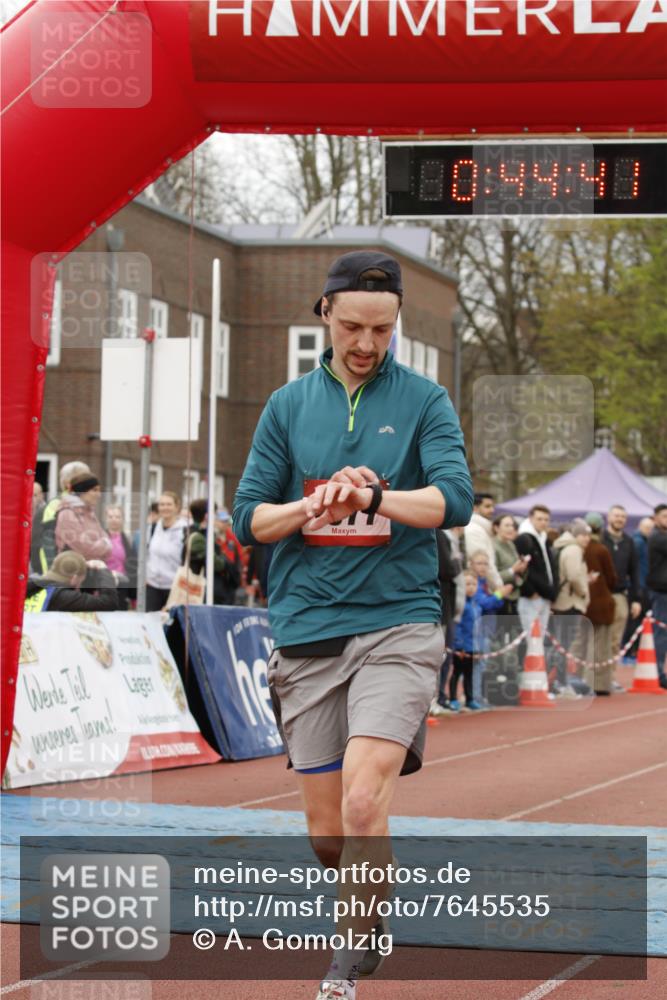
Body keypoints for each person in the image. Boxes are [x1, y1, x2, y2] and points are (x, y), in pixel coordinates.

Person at [233, 249, 473, 999]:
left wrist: (372, 499)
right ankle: (372, 906)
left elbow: (453, 503)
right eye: (352, 327)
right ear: (324, 317)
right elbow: (249, 519)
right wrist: (311, 506)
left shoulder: (425, 400)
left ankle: (343, 963)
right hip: (308, 628)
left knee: (366, 799)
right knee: (329, 833)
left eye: (382, 328)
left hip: (399, 623)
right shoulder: (285, 406)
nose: (366, 343)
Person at [551, 519, 593, 692]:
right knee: (564, 644)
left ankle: (557, 680)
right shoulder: (574, 549)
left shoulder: (563, 546)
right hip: (569, 602)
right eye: (583, 535)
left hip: (562, 601)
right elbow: (574, 575)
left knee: (561, 643)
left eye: (588, 535)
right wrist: (583, 591)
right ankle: (559, 681)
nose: (586, 539)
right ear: (576, 535)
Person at [602, 505, 641, 684]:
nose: (620, 519)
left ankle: (610, 677)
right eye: (616, 515)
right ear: (608, 517)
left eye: (623, 517)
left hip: (620, 595)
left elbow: (634, 572)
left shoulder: (629, 541)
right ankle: (594, 678)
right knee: (598, 638)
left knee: (616, 639)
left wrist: (636, 599)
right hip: (600, 596)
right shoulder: (600, 539)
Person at [467, 549, 512, 707]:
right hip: (476, 630)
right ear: (471, 564)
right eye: (479, 563)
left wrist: (497, 597)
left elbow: (496, 604)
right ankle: (474, 697)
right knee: (476, 665)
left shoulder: (485, 582)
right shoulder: (473, 582)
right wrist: (499, 594)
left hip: (487, 628)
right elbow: (484, 602)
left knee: (482, 665)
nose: (483, 567)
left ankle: (477, 696)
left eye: (486, 564)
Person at [32, 460, 90, 572]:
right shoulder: (55, 507)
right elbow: (44, 547)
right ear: (69, 483)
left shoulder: (81, 507)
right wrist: (53, 580)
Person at [582, 512, 618, 694]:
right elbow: (611, 578)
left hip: (582, 603)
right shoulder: (600, 549)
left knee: (582, 644)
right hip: (601, 603)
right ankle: (600, 684)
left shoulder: (578, 548)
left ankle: (581, 681)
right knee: (601, 645)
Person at [431, 524, 464, 715]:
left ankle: (439, 698)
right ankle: (434, 700)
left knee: (443, 656)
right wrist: (455, 563)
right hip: (439, 606)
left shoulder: (445, 536)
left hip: (445, 605)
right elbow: (448, 569)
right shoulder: (439, 534)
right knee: (438, 656)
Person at [24, 551, 119, 612]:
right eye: (81, 581)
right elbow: (108, 602)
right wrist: (103, 569)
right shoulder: (62, 597)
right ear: (74, 578)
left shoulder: (31, 586)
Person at [187, 499, 241, 605]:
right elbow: (216, 563)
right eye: (215, 514)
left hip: (209, 589)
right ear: (207, 516)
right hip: (203, 589)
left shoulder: (206, 534)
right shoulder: (198, 536)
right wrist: (225, 561)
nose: (216, 518)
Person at [515, 504, 557, 639]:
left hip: (545, 596)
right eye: (539, 519)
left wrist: (552, 592)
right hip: (531, 597)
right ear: (531, 519)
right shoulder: (524, 539)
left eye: (546, 519)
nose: (543, 522)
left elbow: (550, 567)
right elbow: (520, 569)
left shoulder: (544, 539)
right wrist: (530, 591)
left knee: (540, 637)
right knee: (530, 636)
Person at [55, 473, 112, 563]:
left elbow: (108, 550)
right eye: (94, 490)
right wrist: (105, 544)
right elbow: (85, 549)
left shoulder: (90, 513)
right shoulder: (67, 514)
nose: (99, 495)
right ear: (82, 491)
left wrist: (102, 544)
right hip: (72, 572)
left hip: (91, 571)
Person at [145, 491, 188, 612]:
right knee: (151, 626)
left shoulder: (185, 530)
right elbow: (146, 554)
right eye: (162, 504)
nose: (165, 508)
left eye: (169, 504)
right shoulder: (152, 528)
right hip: (152, 587)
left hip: (175, 588)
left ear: (177, 507)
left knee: (172, 629)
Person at [448, 570, 482, 712]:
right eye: (468, 584)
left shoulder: (477, 606)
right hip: (461, 648)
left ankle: (470, 699)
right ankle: (453, 698)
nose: (471, 587)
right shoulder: (461, 606)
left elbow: (478, 629)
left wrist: (478, 647)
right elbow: (458, 627)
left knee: (469, 674)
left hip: (472, 647)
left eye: (474, 584)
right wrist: (459, 646)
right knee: (457, 673)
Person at [647, 503, 667, 688]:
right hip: (661, 592)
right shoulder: (657, 537)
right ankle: (659, 673)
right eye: (664, 516)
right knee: (660, 635)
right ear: (655, 518)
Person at [464, 492, 502, 590]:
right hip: (479, 588)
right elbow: (481, 564)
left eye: (492, 506)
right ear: (475, 508)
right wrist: (498, 586)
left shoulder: (482, 528)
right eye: (487, 506)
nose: (492, 510)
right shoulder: (473, 530)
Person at [492, 514, 527, 615]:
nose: (511, 528)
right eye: (507, 525)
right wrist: (513, 570)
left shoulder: (511, 544)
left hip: (514, 596)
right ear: (496, 528)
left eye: (512, 525)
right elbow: (492, 576)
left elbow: (517, 572)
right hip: (500, 597)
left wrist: (522, 569)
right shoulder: (492, 546)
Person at [104, 504, 137, 610]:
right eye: (111, 517)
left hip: (122, 584)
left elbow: (132, 566)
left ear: (122, 519)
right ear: (106, 519)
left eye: (117, 517)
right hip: (103, 583)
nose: (114, 520)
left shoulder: (128, 540)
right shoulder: (99, 537)